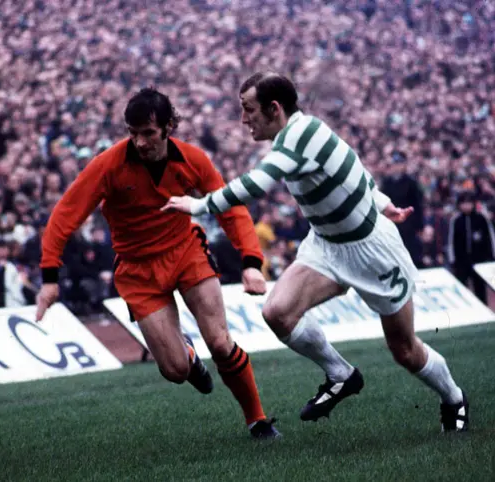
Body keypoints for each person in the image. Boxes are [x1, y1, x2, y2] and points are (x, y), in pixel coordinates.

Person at [163, 72, 468, 433]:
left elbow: (257, 183)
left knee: (404, 350)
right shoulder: (302, 131)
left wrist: (199, 205)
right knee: (277, 312)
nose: (244, 119)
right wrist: (384, 203)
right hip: (326, 245)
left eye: (249, 110)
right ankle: (341, 373)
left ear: (274, 108)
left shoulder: (298, 138)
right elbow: (356, 168)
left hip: (373, 252)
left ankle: (454, 398)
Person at [36, 88, 280, 439]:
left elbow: (229, 206)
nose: (139, 141)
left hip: (185, 252)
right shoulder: (108, 164)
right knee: (174, 370)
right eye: (132, 133)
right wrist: (49, 277)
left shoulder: (192, 159)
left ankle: (257, 421)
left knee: (221, 342)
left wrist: (251, 260)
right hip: (137, 271)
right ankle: (189, 358)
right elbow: (65, 215)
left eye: (148, 133)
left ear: (168, 128)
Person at [448, 191, 495, 304]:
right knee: (462, 288)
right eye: (463, 203)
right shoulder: (456, 220)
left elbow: (490, 238)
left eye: (469, 203)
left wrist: (491, 256)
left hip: (479, 261)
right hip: (462, 261)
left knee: (480, 289)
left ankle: (484, 313)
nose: (466, 206)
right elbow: (451, 241)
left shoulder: (481, 218)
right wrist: (453, 259)